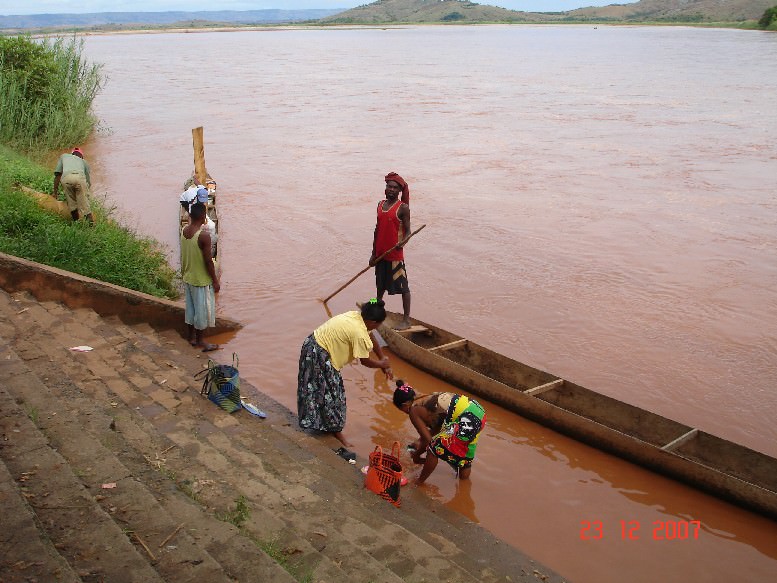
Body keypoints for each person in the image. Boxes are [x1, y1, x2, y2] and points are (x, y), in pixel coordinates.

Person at [297, 299, 393, 447]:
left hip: (312, 344)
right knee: (334, 397)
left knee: (323, 391)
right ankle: (336, 432)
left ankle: (327, 427)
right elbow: (365, 361)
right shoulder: (358, 332)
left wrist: (382, 358)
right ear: (373, 322)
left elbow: (371, 336)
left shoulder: (357, 316)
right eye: (379, 324)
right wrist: (381, 364)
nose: (377, 328)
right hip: (318, 354)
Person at [392, 380, 486, 485]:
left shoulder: (413, 411)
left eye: (402, 410)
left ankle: (418, 483)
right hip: (478, 412)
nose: (405, 413)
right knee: (466, 460)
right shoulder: (427, 399)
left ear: (404, 405)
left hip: (466, 417)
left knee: (433, 450)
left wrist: (416, 456)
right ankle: (464, 488)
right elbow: (436, 431)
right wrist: (418, 445)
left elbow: (429, 441)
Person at [369, 172, 412, 330]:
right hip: (381, 255)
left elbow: (408, 232)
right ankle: (375, 307)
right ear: (385, 188)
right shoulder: (380, 205)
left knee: (403, 288)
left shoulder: (403, 208)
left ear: (399, 191)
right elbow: (377, 230)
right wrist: (373, 254)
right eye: (389, 186)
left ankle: (406, 319)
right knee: (380, 286)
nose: (391, 189)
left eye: (395, 188)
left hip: (394, 256)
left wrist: (403, 242)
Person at [180, 202, 220, 352]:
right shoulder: (203, 236)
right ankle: (201, 341)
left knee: (190, 310)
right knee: (201, 312)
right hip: (200, 280)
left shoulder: (184, 230)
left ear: (190, 216)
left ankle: (190, 337)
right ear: (204, 218)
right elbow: (208, 261)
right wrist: (215, 281)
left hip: (188, 276)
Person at [52, 147, 93, 223]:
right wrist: (86, 195)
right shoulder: (84, 162)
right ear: (81, 156)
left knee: (72, 205)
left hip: (66, 178)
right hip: (80, 178)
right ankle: (91, 228)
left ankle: (76, 223)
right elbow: (88, 182)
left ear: (72, 154)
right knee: (85, 207)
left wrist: (55, 192)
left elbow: (57, 175)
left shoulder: (64, 156)